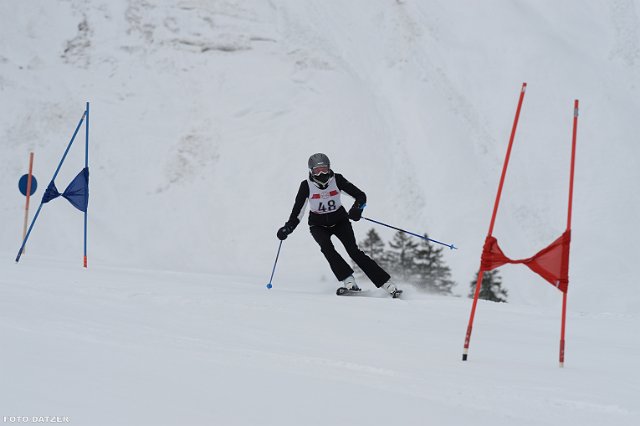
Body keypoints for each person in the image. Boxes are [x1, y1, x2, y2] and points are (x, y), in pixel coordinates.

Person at [276, 153, 401, 297]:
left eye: (324, 169)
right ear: (311, 171)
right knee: (327, 248)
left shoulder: (337, 179)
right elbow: (298, 211)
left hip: (340, 221)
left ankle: (387, 284)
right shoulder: (306, 186)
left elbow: (360, 196)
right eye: (317, 171)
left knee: (354, 252)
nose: (321, 174)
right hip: (318, 225)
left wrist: (357, 209)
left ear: (329, 168)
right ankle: (349, 280)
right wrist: (288, 228)